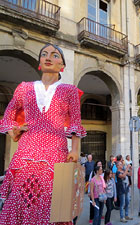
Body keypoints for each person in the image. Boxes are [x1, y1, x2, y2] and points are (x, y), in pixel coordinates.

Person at [0, 43, 86, 224]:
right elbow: (8, 115)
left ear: (62, 65)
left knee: (51, 201)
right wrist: (14, 131)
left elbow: (76, 122)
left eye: (55, 55)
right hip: (26, 151)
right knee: (19, 198)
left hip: (56, 151)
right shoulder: (24, 87)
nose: (48, 57)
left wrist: (75, 150)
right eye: (44, 54)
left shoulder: (69, 90)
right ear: (40, 62)